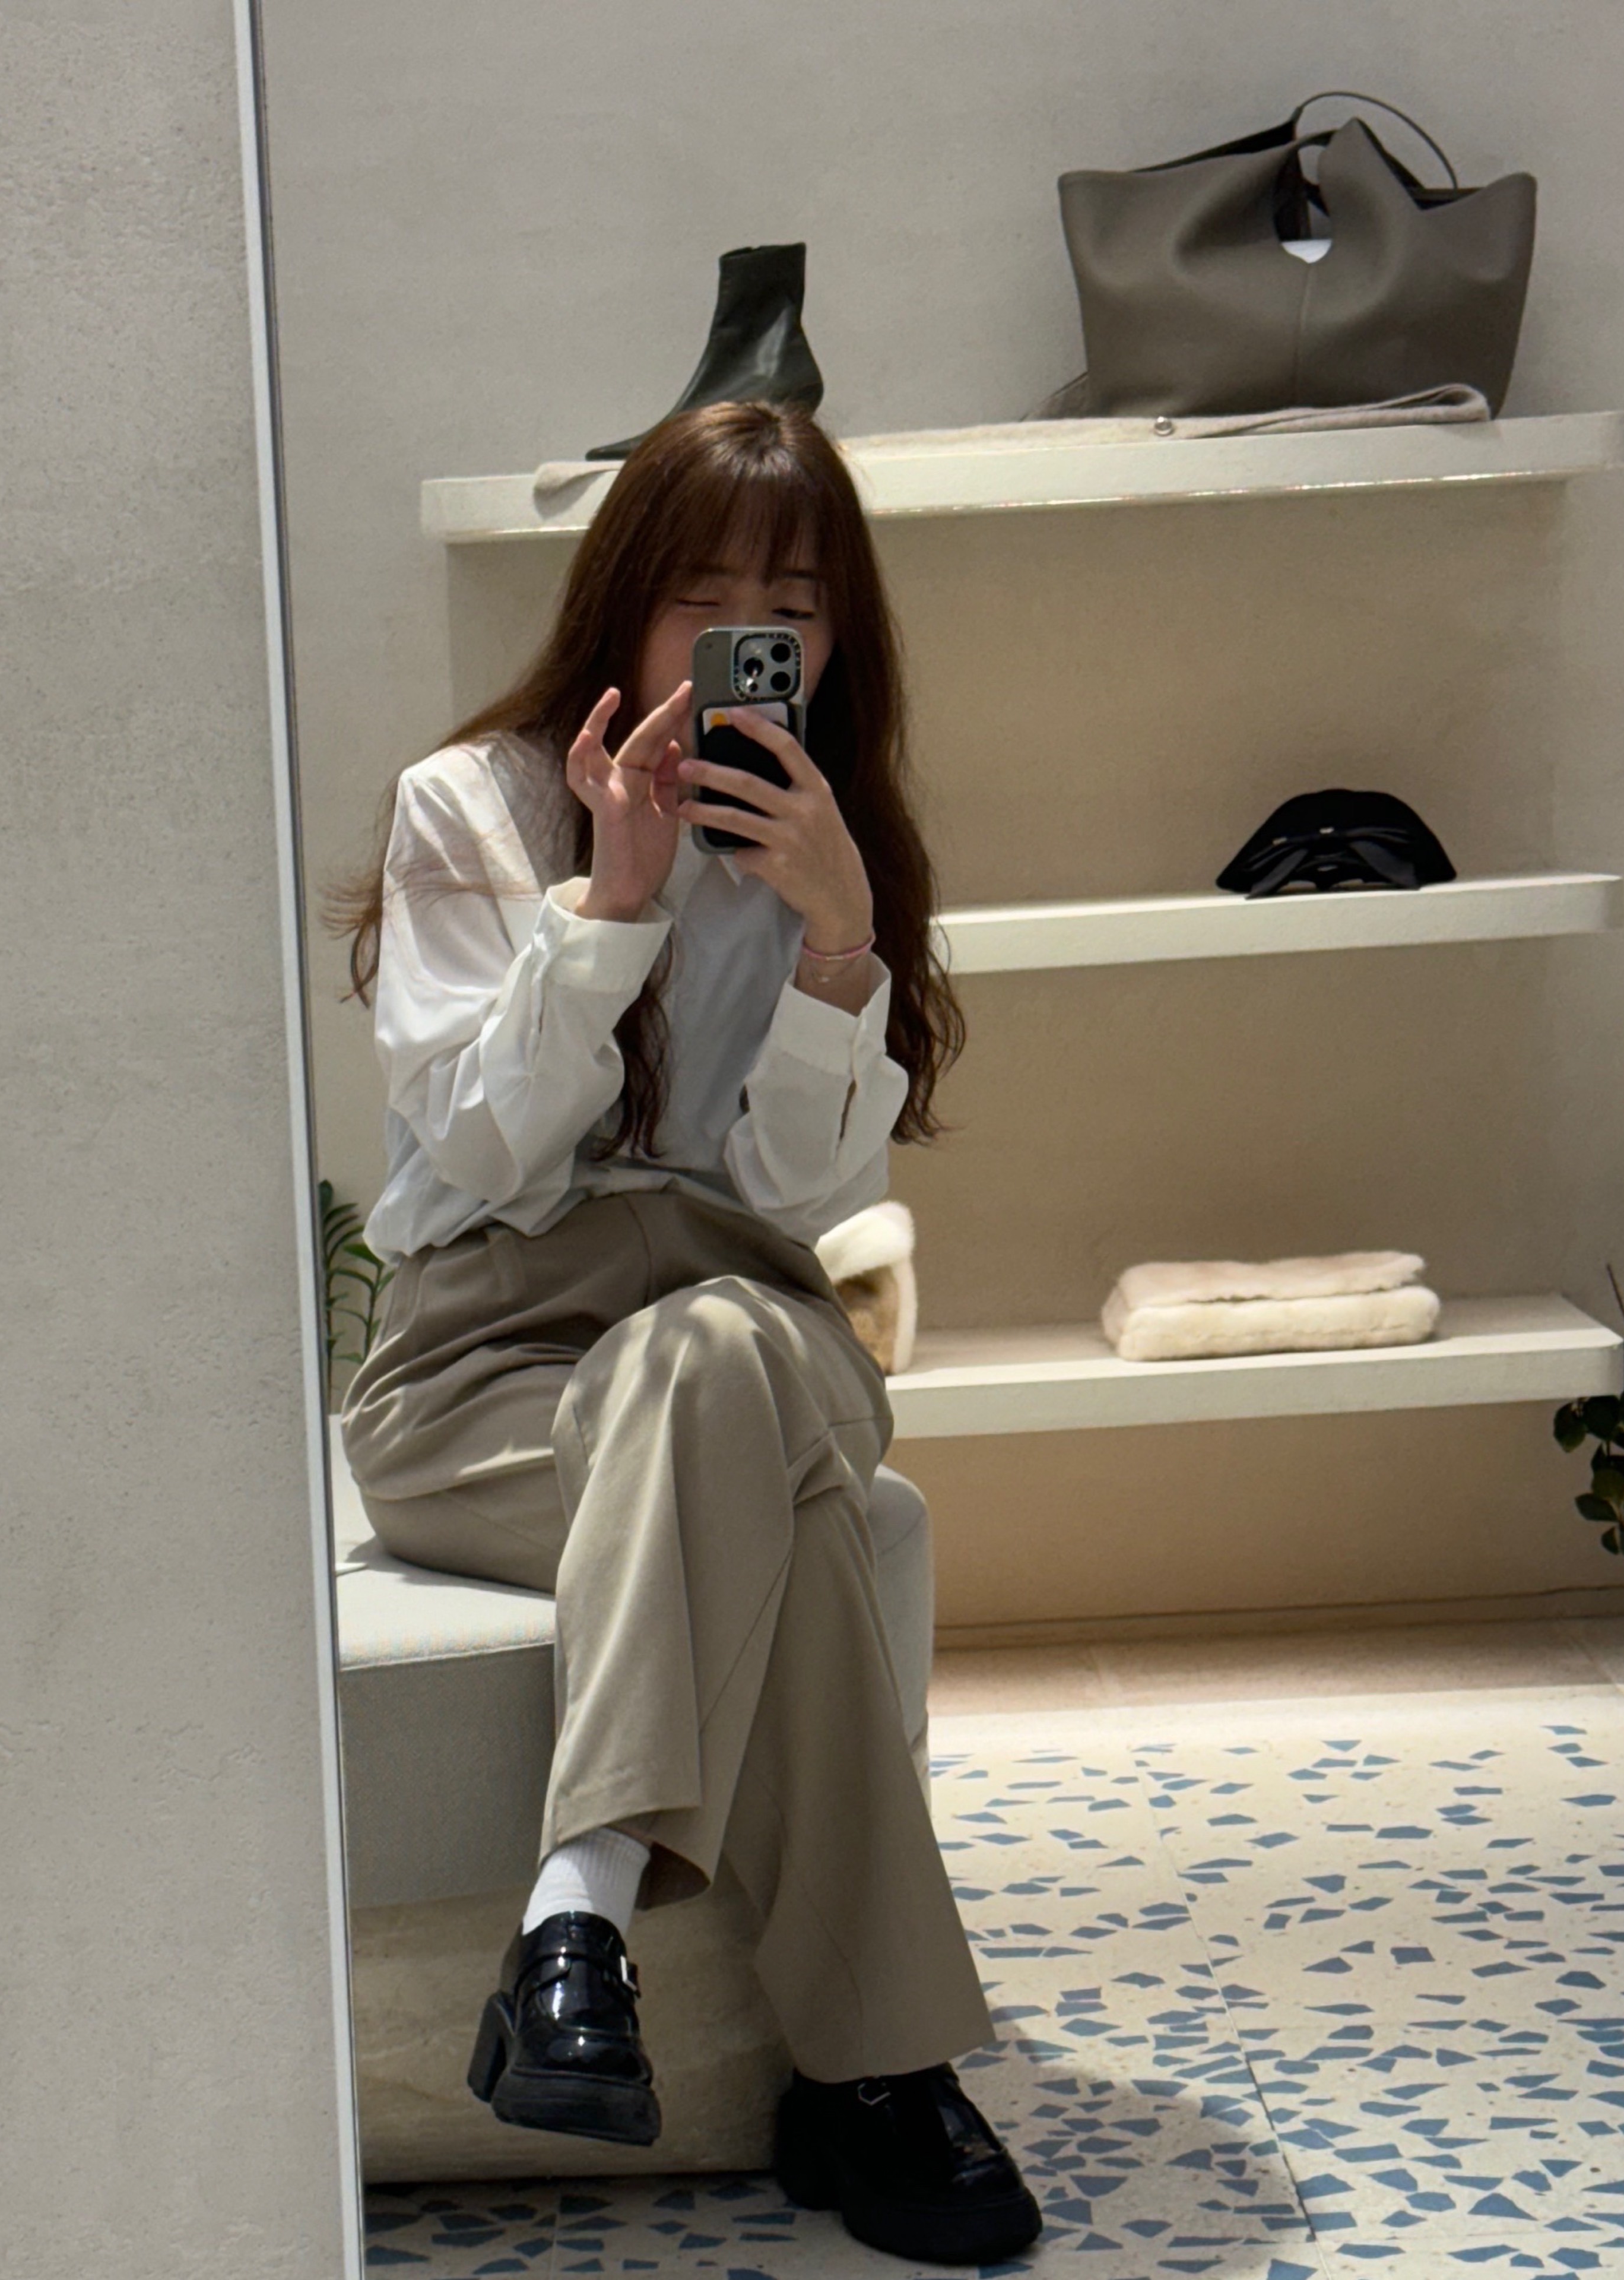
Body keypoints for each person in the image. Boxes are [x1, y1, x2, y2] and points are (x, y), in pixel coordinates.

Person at [326, 400, 1042, 2268]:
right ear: (623, 601)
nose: (744, 641)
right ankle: (875, 2081)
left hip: (751, 1326)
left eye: (788, 612)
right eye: (703, 599)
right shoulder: (470, 806)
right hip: (485, 1372)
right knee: (779, 1529)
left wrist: (836, 944)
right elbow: (479, 1150)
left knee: (713, 1348)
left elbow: (802, 1204)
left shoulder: (830, 842)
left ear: (836, 639)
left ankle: (576, 1920)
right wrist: (612, 901)